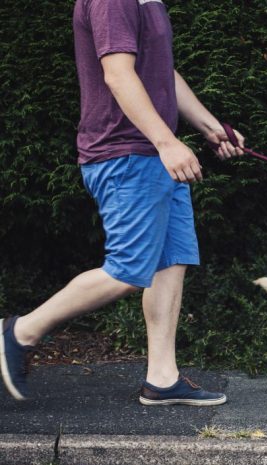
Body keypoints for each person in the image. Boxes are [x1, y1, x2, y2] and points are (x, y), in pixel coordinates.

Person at [1, 0, 243, 405]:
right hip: (126, 153)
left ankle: (162, 378)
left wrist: (211, 128)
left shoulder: (150, 2)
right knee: (129, 270)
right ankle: (19, 332)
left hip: (152, 154)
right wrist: (166, 142)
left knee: (171, 260)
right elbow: (117, 74)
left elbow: (161, 72)